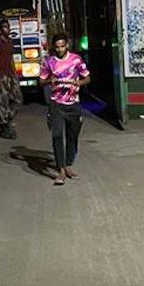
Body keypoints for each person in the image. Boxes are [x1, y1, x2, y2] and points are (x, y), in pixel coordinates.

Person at [39, 34, 90, 186]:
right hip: (56, 105)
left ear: (66, 45)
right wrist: (50, 80)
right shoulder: (48, 62)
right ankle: (60, 170)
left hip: (73, 104)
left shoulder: (76, 60)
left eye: (62, 46)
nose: (60, 49)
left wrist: (78, 82)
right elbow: (41, 81)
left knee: (72, 136)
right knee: (57, 136)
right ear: (54, 47)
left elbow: (87, 78)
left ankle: (68, 165)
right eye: (57, 46)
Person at [0, 19, 20, 139]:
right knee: (4, 101)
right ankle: (4, 126)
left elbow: (11, 58)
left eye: (8, 26)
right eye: (4, 27)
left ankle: (7, 119)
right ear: (0, 29)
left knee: (18, 99)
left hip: (10, 74)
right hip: (2, 75)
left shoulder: (10, 42)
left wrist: (15, 74)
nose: (6, 29)